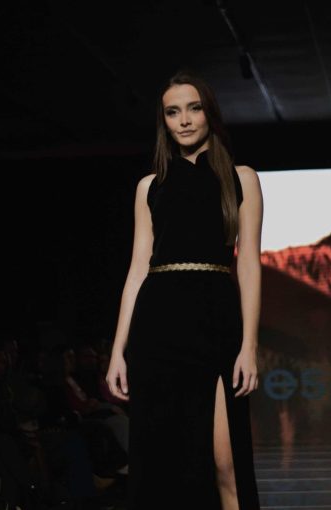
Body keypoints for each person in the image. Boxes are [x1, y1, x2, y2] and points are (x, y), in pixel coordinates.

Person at [106, 68, 263, 510]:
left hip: (215, 321)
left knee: (226, 464)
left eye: (194, 108)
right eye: (173, 112)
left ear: (209, 112)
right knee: (163, 467)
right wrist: (117, 351)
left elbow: (249, 264)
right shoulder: (149, 186)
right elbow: (137, 269)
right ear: (164, 121)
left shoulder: (242, 177)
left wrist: (249, 346)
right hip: (157, 327)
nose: (185, 120)